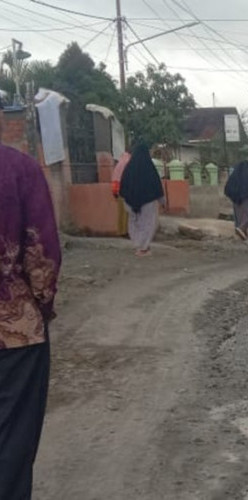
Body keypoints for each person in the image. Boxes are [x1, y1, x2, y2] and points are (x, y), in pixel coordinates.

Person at [0, 96, 62, 499]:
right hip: (14, 330)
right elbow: (41, 253)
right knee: (12, 437)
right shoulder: (17, 169)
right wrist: (42, 302)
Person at [118, 143, 165, 257]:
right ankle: (144, 248)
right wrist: (162, 201)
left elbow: (123, 185)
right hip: (148, 202)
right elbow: (156, 185)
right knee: (147, 223)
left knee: (134, 223)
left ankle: (139, 245)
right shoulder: (150, 169)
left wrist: (126, 198)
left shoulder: (129, 168)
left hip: (130, 201)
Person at [224, 160, 248, 241]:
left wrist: (233, 196)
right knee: (246, 214)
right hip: (246, 198)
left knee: (238, 214)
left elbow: (228, 187)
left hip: (236, 198)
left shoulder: (235, 175)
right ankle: (242, 229)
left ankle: (239, 230)